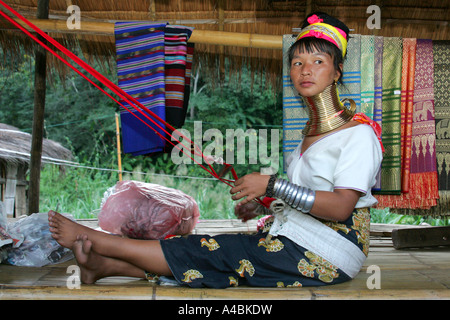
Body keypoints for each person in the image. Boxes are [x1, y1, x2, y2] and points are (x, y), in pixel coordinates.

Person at [48, 12, 383, 288]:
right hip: (298, 237)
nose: (305, 69)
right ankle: (104, 267)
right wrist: (265, 206)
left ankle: (101, 240)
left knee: (212, 249)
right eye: (296, 63)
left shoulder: (358, 135)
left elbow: (340, 208)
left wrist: (270, 185)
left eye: (317, 61)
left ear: (337, 71)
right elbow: (308, 197)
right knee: (221, 259)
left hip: (330, 251)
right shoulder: (309, 134)